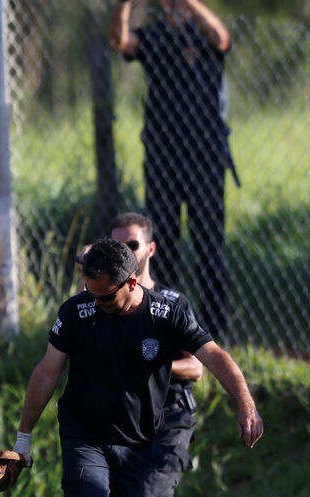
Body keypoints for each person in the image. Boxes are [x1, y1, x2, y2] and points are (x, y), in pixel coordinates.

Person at [12, 237, 263, 497]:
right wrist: (23, 437)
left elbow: (214, 356)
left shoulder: (167, 312)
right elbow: (47, 371)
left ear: (132, 284)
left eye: (105, 297)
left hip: (139, 442)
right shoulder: (77, 311)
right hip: (85, 435)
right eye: (89, 294)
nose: (95, 303)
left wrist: (245, 403)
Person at [101, 213, 203, 497]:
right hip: (126, 424)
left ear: (151, 249)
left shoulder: (172, 304)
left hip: (171, 420)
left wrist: (151, 362)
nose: (126, 253)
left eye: (133, 246)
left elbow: (194, 367)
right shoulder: (101, 303)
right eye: (117, 247)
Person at [109, 0, 232, 341]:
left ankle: (214, 334)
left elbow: (222, 38)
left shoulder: (202, 32)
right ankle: (164, 326)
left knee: (209, 243)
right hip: (162, 159)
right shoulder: (154, 36)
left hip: (204, 158)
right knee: (162, 246)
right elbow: (120, 42)